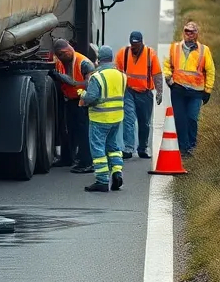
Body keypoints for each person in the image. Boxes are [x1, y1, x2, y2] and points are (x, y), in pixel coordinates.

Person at [162, 20, 215, 157]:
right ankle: (184, 148)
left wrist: (207, 90)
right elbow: (167, 64)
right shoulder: (175, 48)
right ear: (183, 32)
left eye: (192, 31)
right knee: (180, 119)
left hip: (196, 91)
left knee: (192, 118)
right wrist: (169, 80)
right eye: (186, 31)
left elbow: (210, 71)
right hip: (178, 89)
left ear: (197, 34)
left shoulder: (204, 50)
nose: (189, 34)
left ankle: (192, 145)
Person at [80, 44, 126, 192]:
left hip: (100, 117)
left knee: (98, 148)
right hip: (117, 117)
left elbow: (91, 98)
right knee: (113, 147)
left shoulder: (97, 77)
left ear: (98, 59)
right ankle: (117, 173)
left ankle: (102, 180)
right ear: (111, 58)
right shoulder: (121, 75)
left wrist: (82, 94)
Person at [115, 30, 164, 159]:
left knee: (144, 123)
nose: (134, 47)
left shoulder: (150, 54)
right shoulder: (123, 53)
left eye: (136, 45)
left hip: (145, 93)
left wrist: (159, 91)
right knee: (129, 120)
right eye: (132, 44)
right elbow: (117, 72)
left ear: (142, 42)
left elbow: (157, 74)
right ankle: (128, 148)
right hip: (129, 91)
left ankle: (142, 148)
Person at [51, 38, 94, 173]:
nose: (60, 58)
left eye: (62, 55)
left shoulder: (84, 63)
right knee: (69, 131)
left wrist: (72, 82)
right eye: (58, 56)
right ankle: (68, 158)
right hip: (69, 100)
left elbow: (90, 85)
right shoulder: (61, 61)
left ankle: (86, 162)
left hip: (82, 101)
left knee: (83, 132)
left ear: (68, 50)